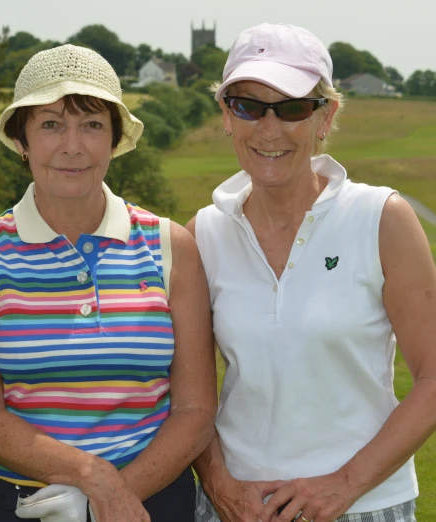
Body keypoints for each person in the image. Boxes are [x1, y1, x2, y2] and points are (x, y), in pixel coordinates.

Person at [0, 44, 217, 522]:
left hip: (148, 499)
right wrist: (92, 478)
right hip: (16, 503)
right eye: (50, 124)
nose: (72, 145)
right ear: (22, 139)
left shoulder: (170, 245)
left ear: (113, 139)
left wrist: (113, 494)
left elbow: (194, 411)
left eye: (92, 125)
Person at [189, 23, 436, 522]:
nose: (269, 128)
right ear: (226, 115)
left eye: (294, 108)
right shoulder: (202, 233)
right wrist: (219, 486)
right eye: (248, 106)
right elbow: (185, 392)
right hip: (237, 507)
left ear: (326, 117)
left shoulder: (382, 218)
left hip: (366, 505)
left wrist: (343, 486)